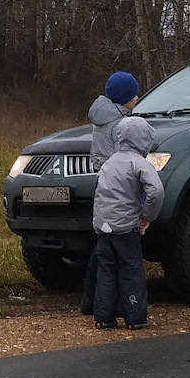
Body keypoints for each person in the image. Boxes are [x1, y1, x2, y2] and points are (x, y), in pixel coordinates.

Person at [89, 115, 164, 329]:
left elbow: (100, 192)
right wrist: (146, 216)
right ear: (144, 139)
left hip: (103, 226)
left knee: (106, 270)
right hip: (126, 226)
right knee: (130, 269)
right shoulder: (139, 163)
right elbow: (156, 192)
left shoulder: (109, 163)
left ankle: (104, 317)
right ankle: (135, 317)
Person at [80, 71, 139, 316]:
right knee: (121, 251)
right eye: (134, 94)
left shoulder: (102, 119)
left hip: (102, 184)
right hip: (119, 188)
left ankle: (91, 301)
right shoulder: (120, 124)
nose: (137, 97)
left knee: (102, 247)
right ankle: (124, 306)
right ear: (125, 98)